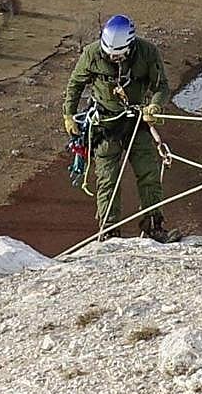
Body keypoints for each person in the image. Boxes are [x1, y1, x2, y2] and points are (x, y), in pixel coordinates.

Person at [63, 14, 179, 241]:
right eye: (109, 54)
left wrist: (155, 105)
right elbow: (75, 84)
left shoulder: (147, 53)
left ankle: (154, 226)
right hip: (105, 126)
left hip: (136, 122)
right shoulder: (92, 54)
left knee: (149, 173)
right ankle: (109, 231)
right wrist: (69, 115)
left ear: (130, 46)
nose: (113, 58)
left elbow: (160, 86)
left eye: (118, 55)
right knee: (108, 179)